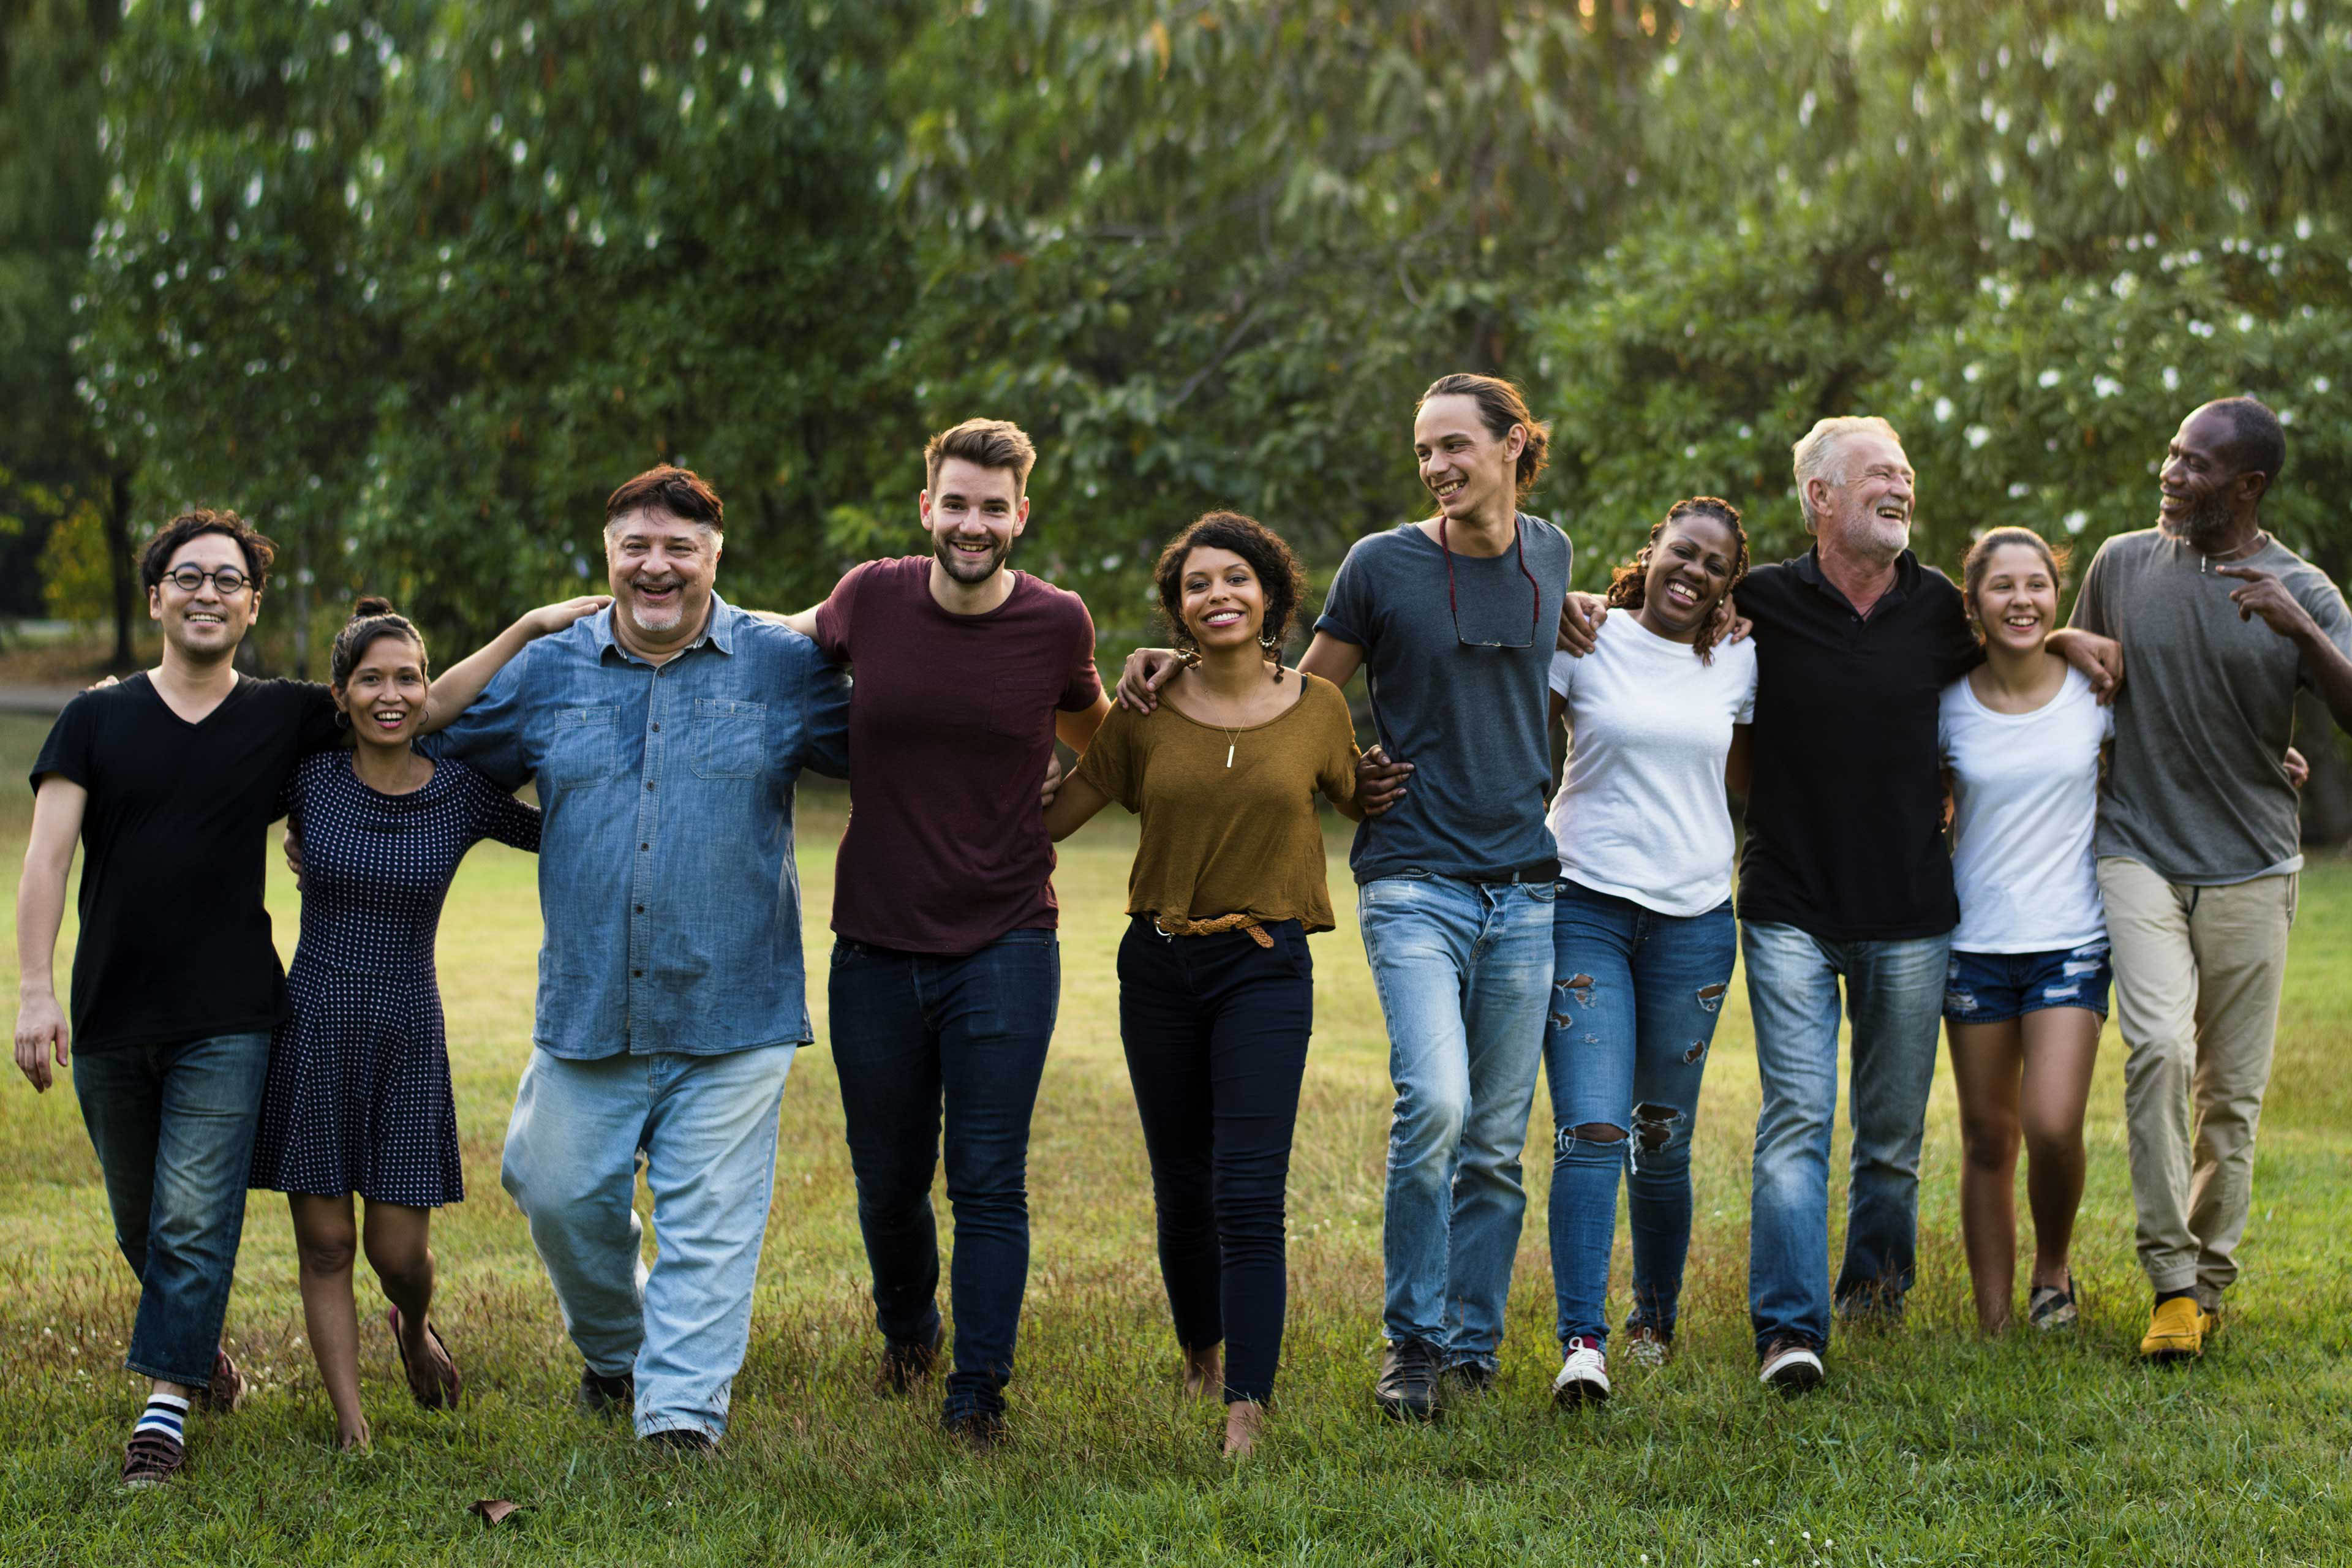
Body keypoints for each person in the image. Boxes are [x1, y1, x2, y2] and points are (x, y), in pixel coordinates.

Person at [13, 510, 598, 1487]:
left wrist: (531, 628)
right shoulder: (121, 723)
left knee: (232, 1221)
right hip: (181, 1012)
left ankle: (183, 1405)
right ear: (156, 596)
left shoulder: (292, 722)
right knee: (154, 1225)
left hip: (282, 1018)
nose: (207, 592)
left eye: (228, 579)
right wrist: (34, 989)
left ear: (252, 604)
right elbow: (48, 853)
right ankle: (235, 1378)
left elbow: (425, 707)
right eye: (187, 577)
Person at [1570, 417, 2119, 1394]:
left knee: (1892, 1137)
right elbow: (1668, 647)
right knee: (1796, 1118)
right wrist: (1582, 608)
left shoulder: (1944, 611)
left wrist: (2071, 631)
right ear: (1821, 497)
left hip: (1912, 909)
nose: (1901, 485)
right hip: (1787, 902)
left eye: (1906, 473)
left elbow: (2014, 646)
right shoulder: (1763, 606)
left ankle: (1873, 1296)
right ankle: (1790, 1330)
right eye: (1879, 474)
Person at [1121, 374, 1583, 1420]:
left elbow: (1581, 632)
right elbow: (1290, 691)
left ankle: (1472, 1342)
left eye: (1456, 445)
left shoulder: (1551, 554)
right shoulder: (1382, 564)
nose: (1436, 466)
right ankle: (1411, 1342)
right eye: (1424, 450)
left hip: (1526, 883)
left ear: (1516, 445)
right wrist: (1177, 661)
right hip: (1413, 875)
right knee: (1438, 1104)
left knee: (1499, 1141)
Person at [413, 465, 851, 1449]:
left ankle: (681, 1421)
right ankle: (620, 1354)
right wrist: (332, 815)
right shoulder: (548, 669)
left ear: (714, 558)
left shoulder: (782, 667)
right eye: (636, 549)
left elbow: (902, 747)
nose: (657, 568)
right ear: (608, 555)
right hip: (589, 1001)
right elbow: (426, 753)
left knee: (713, 1223)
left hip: (736, 1001)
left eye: (680, 549)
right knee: (555, 1189)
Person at [772, 419, 1108, 1444]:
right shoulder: (869, 596)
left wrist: (1036, 823)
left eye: (993, 507)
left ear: (1020, 515)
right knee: (886, 1179)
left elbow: (1102, 754)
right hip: (875, 941)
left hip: (1007, 940)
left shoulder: (1058, 624)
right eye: (955, 504)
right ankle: (909, 1332)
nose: (973, 523)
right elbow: (775, 646)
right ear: (928, 509)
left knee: (988, 1177)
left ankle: (978, 1392)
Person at [1045, 511, 1360, 1457]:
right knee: (1181, 1183)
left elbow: (1357, 791)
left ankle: (1247, 1407)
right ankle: (1201, 1356)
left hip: (1265, 966)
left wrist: (1388, 785)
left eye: (1236, 579)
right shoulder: (1145, 709)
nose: (1216, 594)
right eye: (1196, 584)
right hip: (1158, 964)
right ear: (1178, 609)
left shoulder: (1318, 708)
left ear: (1270, 595)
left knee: (1248, 1189)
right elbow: (1064, 811)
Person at [253, 597, 581, 1450]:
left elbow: (571, 840)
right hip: (316, 1027)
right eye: (371, 680)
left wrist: (533, 629)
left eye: (408, 678)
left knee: (397, 1253)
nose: (391, 696)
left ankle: (411, 1322)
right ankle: (354, 1428)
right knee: (326, 1243)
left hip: (407, 1031)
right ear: (342, 694)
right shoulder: (309, 778)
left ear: (428, 690)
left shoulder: (462, 794)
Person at [2067, 397, 2352, 1360]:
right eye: (2172, 454)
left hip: (2251, 865)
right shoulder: (2119, 564)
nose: (2169, 472)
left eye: (2193, 464)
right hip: (2137, 844)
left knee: (2231, 1093)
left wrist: (2297, 631)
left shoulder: (2301, 588)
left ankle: (2213, 1281)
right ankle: (2171, 1282)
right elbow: (2077, 680)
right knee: (2157, 1050)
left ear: (2247, 485)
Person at [1541, 498, 1755, 1406]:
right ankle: (1582, 1343)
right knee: (1591, 1128)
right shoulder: (1585, 635)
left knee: (1660, 1140)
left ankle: (1653, 1325)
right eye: (1683, 552)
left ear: (1729, 587)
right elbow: (1513, 727)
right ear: (1653, 551)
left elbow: (1749, 776)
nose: (1694, 572)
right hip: (1584, 904)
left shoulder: (1744, 658)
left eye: (1715, 565)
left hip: (1696, 921)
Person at [1937, 529, 2113, 1338]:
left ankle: (2052, 1269)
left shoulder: (2096, 690)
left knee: (2050, 1125)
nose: (2022, 600)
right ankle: (1996, 1319)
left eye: (2037, 584)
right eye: (2002, 587)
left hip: (2071, 938)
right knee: (1986, 1139)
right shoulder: (1945, 701)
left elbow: (2182, 743)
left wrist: (2271, 758)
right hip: (1973, 943)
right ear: (1973, 603)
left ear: (2056, 592)